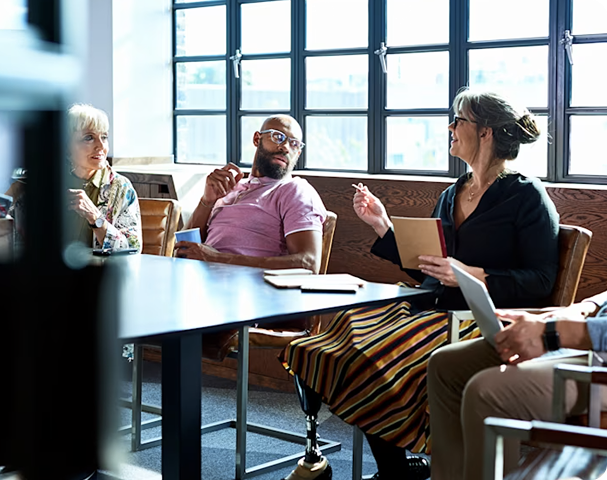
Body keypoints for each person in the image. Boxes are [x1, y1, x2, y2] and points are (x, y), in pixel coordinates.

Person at [280, 88, 559, 480]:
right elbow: (428, 269)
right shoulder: (451, 194)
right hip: (434, 309)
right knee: (341, 338)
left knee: (381, 353)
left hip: (482, 319)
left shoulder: (527, 197)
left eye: (458, 120)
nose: (450, 127)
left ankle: (400, 465)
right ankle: (397, 466)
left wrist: (474, 275)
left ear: (486, 133)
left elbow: (541, 279)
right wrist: (381, 224)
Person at [427, 290, 607, 480]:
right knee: (447, 365)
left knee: (490, 392)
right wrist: (584, 308)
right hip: (593, 343)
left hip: (598, 356)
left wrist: (557, 332)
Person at [173, 114, 326, 273]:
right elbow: (183, 248)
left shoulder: (295, 191)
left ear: (298, 153)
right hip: (201, 283)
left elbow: (308, 264)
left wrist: (217, 259)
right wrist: (207, 201)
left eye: (294, 144)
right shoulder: (230, 189)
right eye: (277, 137)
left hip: (255, 290)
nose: (285, 147)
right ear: (256, 139)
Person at [5, 103, 142, 252]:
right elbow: (0, 239)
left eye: (104, 137)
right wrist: (11, 196)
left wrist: (96, 218)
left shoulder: (121, 188)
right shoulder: (41, 182)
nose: (101, 146)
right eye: (89, 138)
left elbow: (132, 249)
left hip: (98, 274)